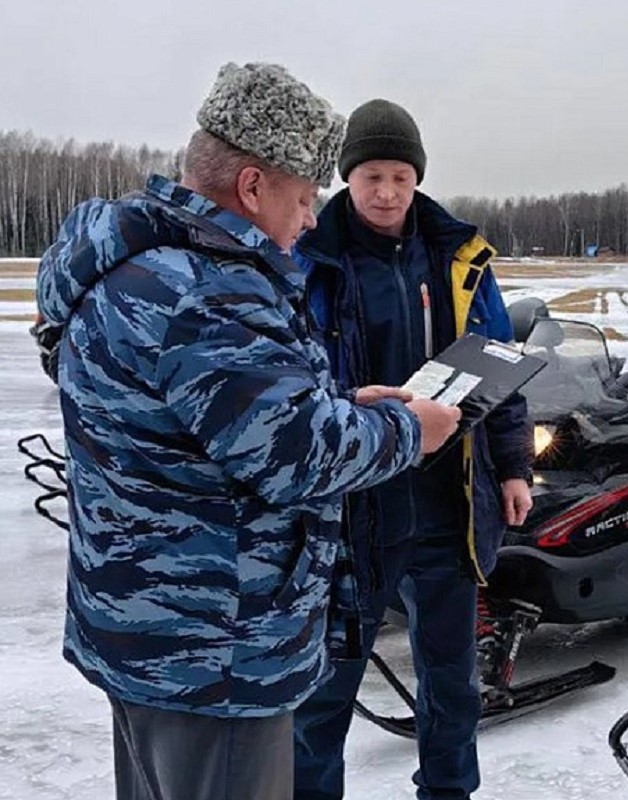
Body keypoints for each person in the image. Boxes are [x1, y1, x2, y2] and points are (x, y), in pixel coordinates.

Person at [34, 63, 461, 800]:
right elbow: (296, 457)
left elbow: (214, 421)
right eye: (302, 198)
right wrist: (406, 429)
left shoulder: (139, 267)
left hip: (145, 629)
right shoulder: (209, 292)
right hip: (216, 652)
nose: (307, 220)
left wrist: (335, 401)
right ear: (254, 187)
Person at [293, 99, 534, 800]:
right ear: (348, 177)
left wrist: (513, 466)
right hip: (350, 511)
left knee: (451, 684)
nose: (387, 193)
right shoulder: (310, 254)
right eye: (372, 176)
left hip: (444, 505)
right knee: (323, 694)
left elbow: (499, 363)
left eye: (400, 176)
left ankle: (448, 793)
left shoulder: (459, 257)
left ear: (418, 176)